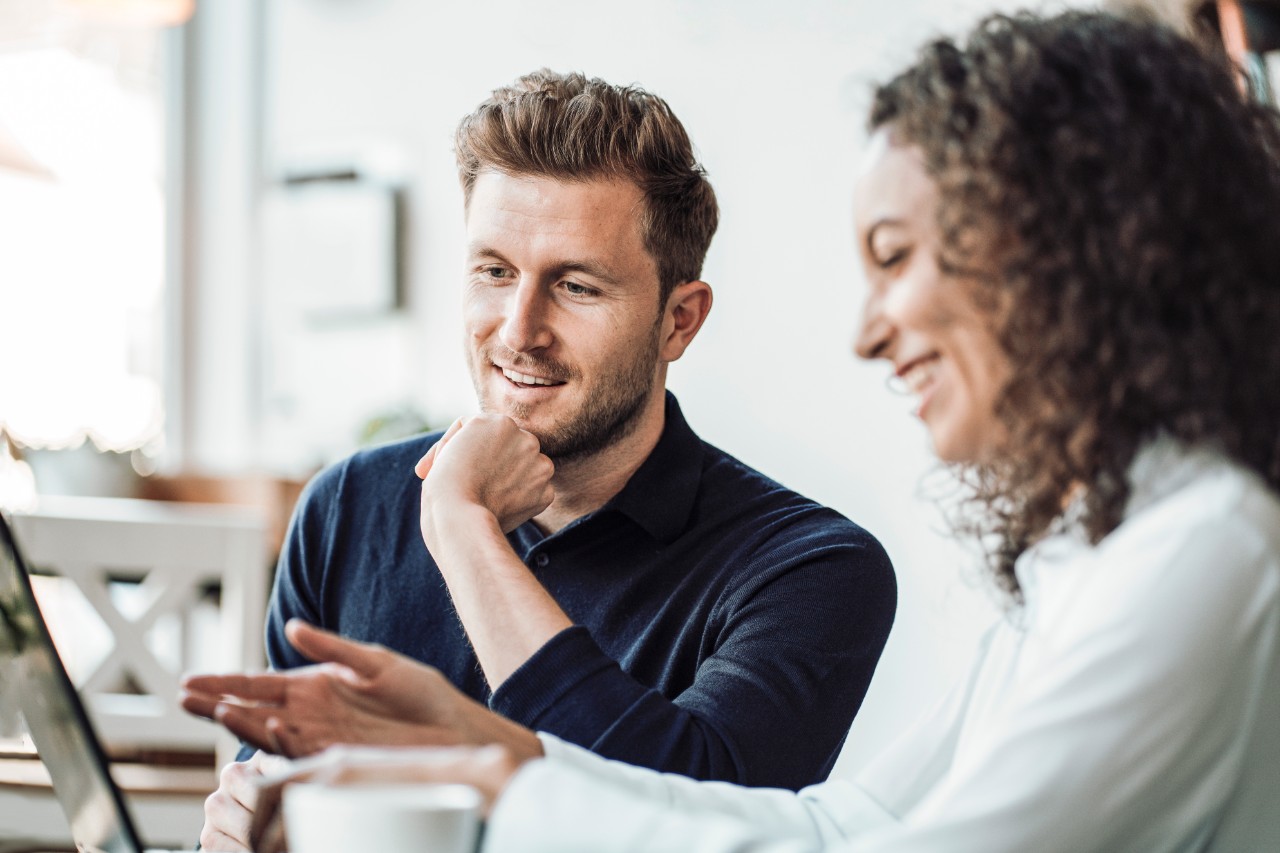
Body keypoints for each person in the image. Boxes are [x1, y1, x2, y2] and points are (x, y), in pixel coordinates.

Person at [234, 9, 1280, 851]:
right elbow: (846, 827)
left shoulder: (1201, 545)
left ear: (1065, 259)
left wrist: (498, 779)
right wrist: (494, 761)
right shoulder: (1087, 544)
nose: (866, 335)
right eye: (492, 271)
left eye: (898, 255)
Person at [183, 70, 897, 850]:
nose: (520, 330)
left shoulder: (812, 569)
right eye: (494, 271)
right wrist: (246, 821)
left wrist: (464, 531)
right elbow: (274, 786)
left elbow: (693, 818)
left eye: (577, 285)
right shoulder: (348, 505)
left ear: (679, 321)